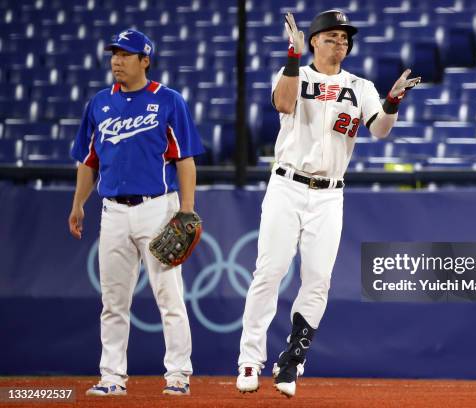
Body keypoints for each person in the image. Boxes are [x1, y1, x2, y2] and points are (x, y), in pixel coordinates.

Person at [236, 10, 421, 398]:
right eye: (333, 36)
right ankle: (249, 360)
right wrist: (293, 55)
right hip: (287, 185)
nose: (341, 43)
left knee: (318, 279)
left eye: (345, 38)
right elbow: (284, 105)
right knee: (269, 272)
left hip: (329, 192)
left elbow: (380, 131)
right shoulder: (296, 74)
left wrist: (392, 101)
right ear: (314, 41)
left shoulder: (361, 85)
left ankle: (292, 360)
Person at [68, 29, 204, 396]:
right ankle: (112, 377)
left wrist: (186, 212)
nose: (117, 60)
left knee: (169, 297)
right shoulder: (99, 103)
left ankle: (178, 374)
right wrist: (79, 203)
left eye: (125, 54)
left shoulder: (168, 100)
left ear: (145, 60)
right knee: (112, 302)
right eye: (114, 53)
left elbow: (185, 160)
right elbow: (87, 161)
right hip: (112, 210)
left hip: (158, 208)